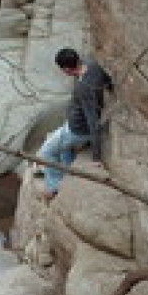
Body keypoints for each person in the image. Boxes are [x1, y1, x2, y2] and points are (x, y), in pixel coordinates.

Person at [38, 47, 112, 200]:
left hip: (77, 131)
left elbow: (93, 121)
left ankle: (53, 187)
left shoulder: (83, 88)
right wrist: (110, 85)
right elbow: (105, 78)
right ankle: (67, 170)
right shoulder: (92, 66)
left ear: (66, 69)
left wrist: (96, 157)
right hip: (75, 125)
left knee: (46, 152)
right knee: (61, 146)